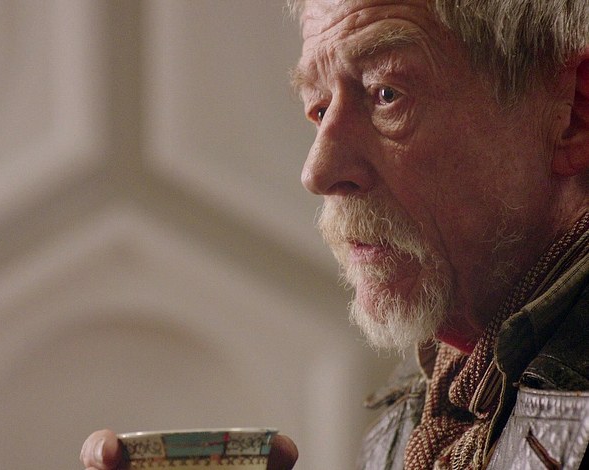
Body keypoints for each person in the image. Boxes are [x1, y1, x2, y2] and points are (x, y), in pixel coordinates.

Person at [82, 0, 589, 468]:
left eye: (386, 94)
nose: (317, 171)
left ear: (573, 114)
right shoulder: (446, 397)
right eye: (320, 108)